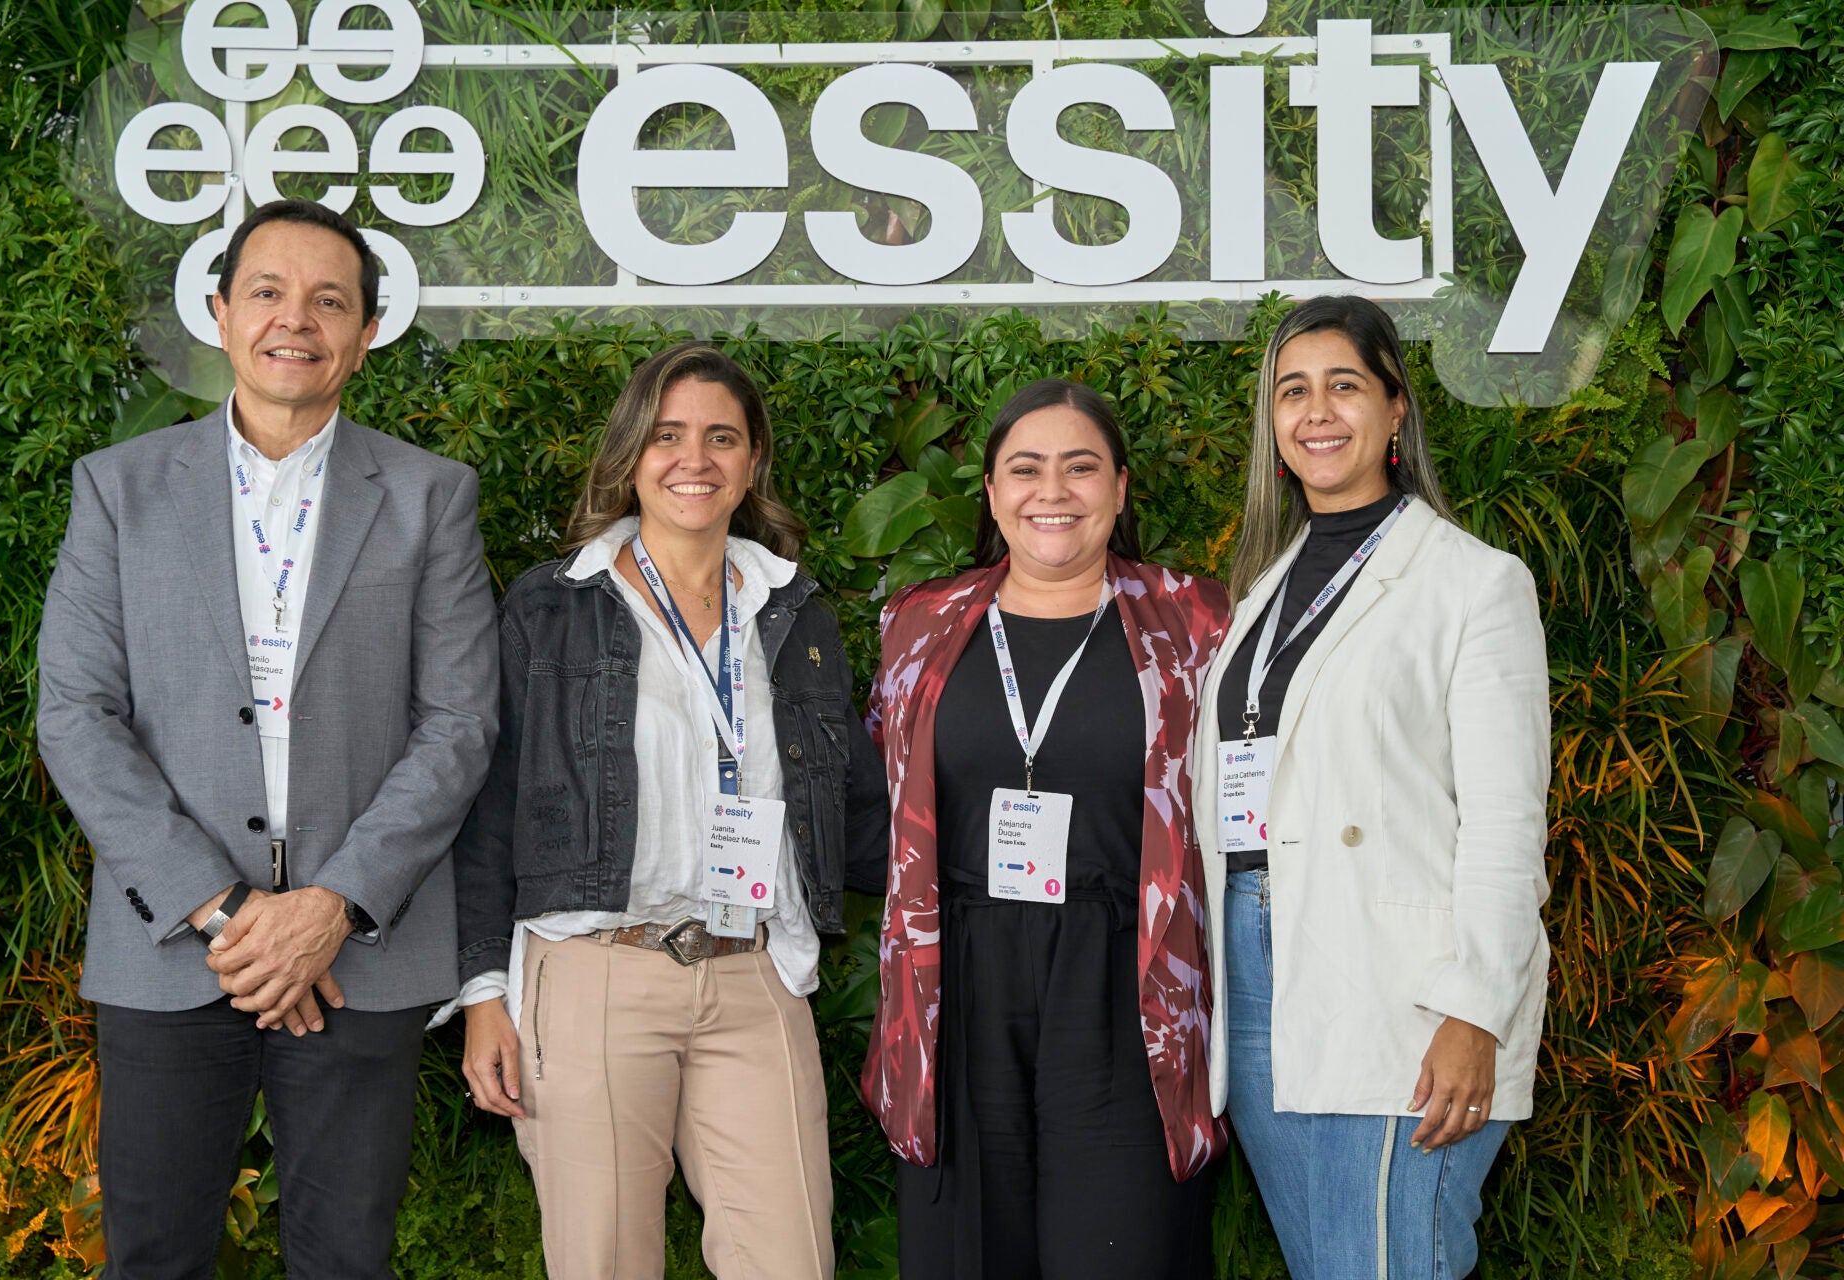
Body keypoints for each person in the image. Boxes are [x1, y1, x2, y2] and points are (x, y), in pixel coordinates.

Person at [36, 198, 499, 1276]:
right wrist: (231, 909)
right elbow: (77, 712)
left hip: (360, 951)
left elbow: (462, 722)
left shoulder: (432, 497)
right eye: (268, 292)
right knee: (153, 1254)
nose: (298, 319)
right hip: (171, 947)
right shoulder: (119, 488)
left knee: (346, 1257)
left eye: (330, 300)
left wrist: (329, 906)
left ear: (368, 331)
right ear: (220, 311)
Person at [451, 341, 889, 1280]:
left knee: (793, 1261)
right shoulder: (551, 607)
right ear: (631, 456)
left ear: (753, 460)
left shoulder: (792, 609)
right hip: (598, 970)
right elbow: (487, 808)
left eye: (721, 437)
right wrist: (484, 992)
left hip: (754, 973)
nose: (695, 459)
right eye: (668, 436)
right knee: (603, 1262)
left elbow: (851, 797)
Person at [1192, 295, 1551, 1277]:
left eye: (1344, 385)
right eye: (1292, 390)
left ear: (1397, 408)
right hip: (1262, 973)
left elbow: (1508, 823)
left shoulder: (1475, 584)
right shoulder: (1261, 587)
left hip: (1402, 984)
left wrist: (1474, 1011)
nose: (1316, 410)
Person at [861, 377, 1231, 1279]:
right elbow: (880, 793)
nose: (1052, 491)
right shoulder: (918, 624)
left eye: (1081, 467)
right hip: (957, 983)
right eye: (1025, 469)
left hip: (1129, 983)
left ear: (1121, 486)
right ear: (991, 493)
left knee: (1122, 1249)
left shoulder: (1195, 622)